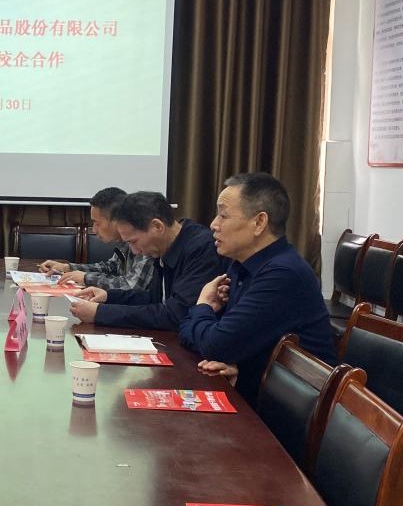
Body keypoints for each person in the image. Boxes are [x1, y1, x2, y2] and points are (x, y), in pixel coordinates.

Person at [179, 172, 336, 407]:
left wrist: (203, 306)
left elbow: (215, 345)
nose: (213, 224)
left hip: (293, 413)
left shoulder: (282, 274)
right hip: (261, 392)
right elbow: (190, 330)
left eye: (223, 215)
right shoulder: (240, 265)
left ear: (259, 222)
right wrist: (229, 357)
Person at [69, 191, 226, 330]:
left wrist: (100, 313)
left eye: (134, 242)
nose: (134, 251)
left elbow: (176, 315)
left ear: (157, 227)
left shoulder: (202, 249)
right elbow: (154, 298)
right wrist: (108, 296)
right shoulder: (164, 246)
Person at [38, 187, 154, 291]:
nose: (94, 230)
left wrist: (86, 278)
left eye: (97, 223)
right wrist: (67, 268)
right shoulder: (123, 243)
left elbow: (131, 286)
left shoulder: (144, 243)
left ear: (116, 220)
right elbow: (111, 267)